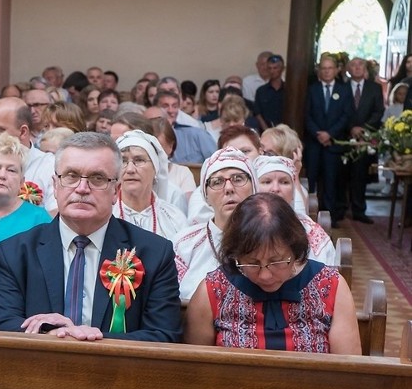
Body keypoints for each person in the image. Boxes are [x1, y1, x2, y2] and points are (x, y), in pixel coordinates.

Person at [0, 132, 182, 342]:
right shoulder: (16, 251)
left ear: (116, 191)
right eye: (71, 176)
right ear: (55, 185)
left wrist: (93, 337)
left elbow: (164, 335)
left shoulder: (153, 254)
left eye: (97, 178)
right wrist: (51, 333)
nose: (82, 188)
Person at [184, 193, 360, 354]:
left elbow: (349, 371)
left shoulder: (330, 286)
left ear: (295, 250)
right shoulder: (214, 289)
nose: (265, 275)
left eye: (276, 262)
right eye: (252, 263)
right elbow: (196, 370)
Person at [174, 147, 257, 301]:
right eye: (217, 182)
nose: (229, 189)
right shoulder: (185, 244)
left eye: (238, 179)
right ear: (205, 195)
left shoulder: (272, 238)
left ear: (253, 187)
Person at [254, 155, 334, 264]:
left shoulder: (309, 230)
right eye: (267, 182)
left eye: (284, 182)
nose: (275, 189)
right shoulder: (243, 226)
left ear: (293, 192)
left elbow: (328, 271)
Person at [305, 55, 354, 228]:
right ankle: (307, 218)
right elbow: (307, 115)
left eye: (329, 68)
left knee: (331, 182)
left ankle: (329, 219)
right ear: (319, 70)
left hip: (333, 144)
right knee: (311, 181)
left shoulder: (344, 90)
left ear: (336, 70)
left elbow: (346, 116)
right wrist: (319, 134)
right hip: (314, 143)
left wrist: (330, 134)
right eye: (323, 68)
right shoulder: (312, 89)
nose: (326, 71)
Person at [113, 131, 187, 242]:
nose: (130, 169)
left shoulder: (174, 219)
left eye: (139, 160)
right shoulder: (105, 214)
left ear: (155, 168)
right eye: (123, 161)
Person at [343, 57, 384, 224]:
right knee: (342, 175)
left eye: (360, 64)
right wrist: (351, 128)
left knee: (360, 175)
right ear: (348, 69)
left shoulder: (375, 88)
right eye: (353, 65)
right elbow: (339, 112)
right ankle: (340, 209)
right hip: (344, 137)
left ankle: (359, 210)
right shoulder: (342, 88)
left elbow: (378, 111)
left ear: (365, 68)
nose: (357, 67)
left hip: (366, 138)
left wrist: (364, 129)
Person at [253, 54, 285, 131]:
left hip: (285, 132)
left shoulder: (289, 90)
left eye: (275, 68)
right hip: (266, 131)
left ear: (282, 69)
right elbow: (257, 113)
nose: (272, 71)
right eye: (269, 68)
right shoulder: (261, 91)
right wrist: (267, 130)